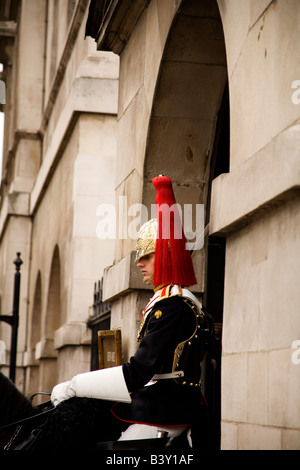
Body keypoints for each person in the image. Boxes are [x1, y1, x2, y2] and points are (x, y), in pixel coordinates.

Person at [50, 175, 210, 449]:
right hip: (163, 404)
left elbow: (139, 372)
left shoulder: (171, 306)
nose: (138, 263)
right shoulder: (176, 301)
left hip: (164, 411)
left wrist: (77, 384)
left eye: (146, 256)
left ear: (166, 254)